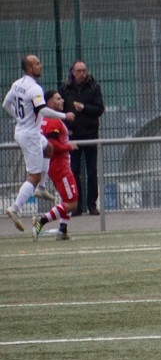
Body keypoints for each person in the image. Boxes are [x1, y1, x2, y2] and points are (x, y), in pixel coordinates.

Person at [3, 55, 74, 232]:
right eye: (37, 64)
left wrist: (20, 118)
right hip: (30, 135)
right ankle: (15, 208)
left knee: (48, 148)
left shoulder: (17, 83)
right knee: (33, 175)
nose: (40, 66)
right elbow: (42, 110)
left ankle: (41, 187)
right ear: (29, 69)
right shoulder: (34, 88)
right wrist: (65, 116)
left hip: (25, 131)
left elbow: (5, 104)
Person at [58, 60, 105, 216]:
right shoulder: (65, 89)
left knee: (92, 171)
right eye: (78, 71)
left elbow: (99, 109)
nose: (81, 74)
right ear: (73, 72)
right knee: (73, 170)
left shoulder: (94, 87)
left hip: (90, 134)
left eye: (84, 70)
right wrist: (66, 129)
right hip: (73, 135)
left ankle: (92, 204)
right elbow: (60, 111)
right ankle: (76, 205)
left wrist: (84, 108)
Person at [33, 90, 79, 241]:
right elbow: (52, 144)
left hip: (56, 166)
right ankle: (41, 221)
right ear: (50, 103)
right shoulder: (53, 121)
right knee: (72, 203)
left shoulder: (44, 119)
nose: (62, 101)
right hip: (60, 167)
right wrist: (68, 146)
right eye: (58, 99)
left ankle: (62, 230)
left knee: (69, 199)